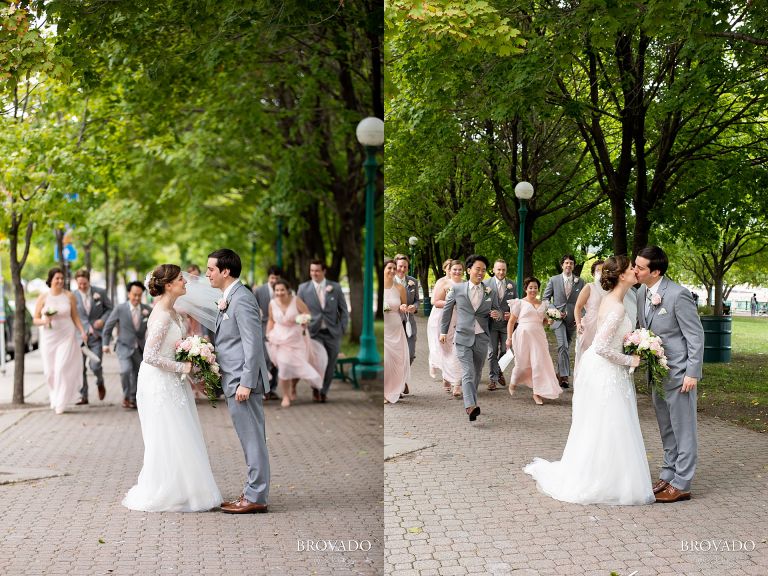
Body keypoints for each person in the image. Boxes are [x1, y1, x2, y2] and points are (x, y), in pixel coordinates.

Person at [524, 256, 654, 505]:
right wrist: (631, 360)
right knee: (610, 423)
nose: (635, 271)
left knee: (606, 423)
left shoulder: (613, 299)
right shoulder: (615, 306)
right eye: (631, 269)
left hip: (606, 369)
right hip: (607, 370)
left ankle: (611, 475)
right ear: (621, 276)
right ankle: (602, 478)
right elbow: (602, 347)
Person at [122, 265, 221, 512]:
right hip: (158, 382)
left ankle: (186, 489)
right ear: (168, 286)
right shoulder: (163, 315)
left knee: (182, 432)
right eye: (180, 279)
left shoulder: (175, 312)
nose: (185, 282)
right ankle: (167, 489)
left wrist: (194, 356)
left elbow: (174, 347)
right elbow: (150, 356)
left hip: (172, 381)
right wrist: (183, 367)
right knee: (167, 434)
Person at [635, 246, 705, 503]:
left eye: (640, 267)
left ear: (656, 271)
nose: (635, 270)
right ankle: (668, 473)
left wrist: (692, 373)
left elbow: (695, 336)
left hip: (680, 374)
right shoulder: (642, 292)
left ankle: (682, 483)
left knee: (683, 428)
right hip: (658, 372)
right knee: (666, 427)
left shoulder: (678, 295)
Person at [207, 249, 270, 513]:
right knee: (250, 439)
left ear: (226, 271)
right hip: (233, 379)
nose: (207, 273)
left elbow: (253, 343)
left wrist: (246, 382)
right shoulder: (228, 297)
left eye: (211, 269)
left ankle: (255, 497)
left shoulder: (241, 299)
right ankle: (252, 492)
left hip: (242, 382)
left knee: (252, 439)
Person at [440, 255, 501, 422]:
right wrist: (443, 331)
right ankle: (470, 406)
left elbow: (498, 311)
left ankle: (472, 402)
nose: (480, 272)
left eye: (483, 270)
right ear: (469, 270)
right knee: (467, 371)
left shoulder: (490, 291)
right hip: (462, 336)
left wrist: (497, 314)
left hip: (482, 337)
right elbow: (446, 310)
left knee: (477, 372)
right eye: (477, 269)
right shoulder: (457, 289)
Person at [33, 268, 88, 414]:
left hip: (67, 336)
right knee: (49, 372)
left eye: (62, 278)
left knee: (61, 368)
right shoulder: (43, 297)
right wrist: (45, 321)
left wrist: (82, 331)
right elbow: (35, 319)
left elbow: (75, 316)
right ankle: (54, 395)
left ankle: (61, 402)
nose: (60, 281)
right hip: (49, 338)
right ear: (50, 280)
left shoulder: (69, 296)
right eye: (57, 278)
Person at [266, 279, 328, 408]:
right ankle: (286, 396)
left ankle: (293, 386)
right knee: (283, 364)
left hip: (296, 337)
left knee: (297, 365)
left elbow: (307, 314)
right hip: (279, 338)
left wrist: (304, 321)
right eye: (277, 290)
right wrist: (268, 335)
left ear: (288, 290)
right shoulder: (272, 303)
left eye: (282, 289)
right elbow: (271, 320)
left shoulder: (295, 300)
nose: (279, 292)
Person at [297, 260, 349, 403]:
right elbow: (298, 310)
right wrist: (301, 323)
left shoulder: (335, 288)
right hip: (314, 333)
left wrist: (342, 328)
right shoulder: (303, 288)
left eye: (317, 271)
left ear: (324, 271)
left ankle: (324, 391)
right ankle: (316, 389)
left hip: (332, 333)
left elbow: (343, 311)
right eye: (312, 270)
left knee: (330, 364)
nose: (314, 273)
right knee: (318, 363)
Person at [505, 277, 562, 405]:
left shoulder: (543, 304)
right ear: (526, 289)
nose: (533, 290)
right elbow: (511, 322)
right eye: (530, 287)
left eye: (535, 288)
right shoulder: (519, 303)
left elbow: (544, 321)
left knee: (538, 363)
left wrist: (550, 321)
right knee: (522, 364)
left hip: (538, 337)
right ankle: (514, 381)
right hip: (522, 337)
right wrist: (509, 338)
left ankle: (537, 393)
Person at [102, 281, 152, 409]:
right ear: (128, 294)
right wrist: (105, 344)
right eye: (134, 294)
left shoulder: (147, 310)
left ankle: (132, 398)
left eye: (139, 295)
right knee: (125, 370)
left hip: (140, 348)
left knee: (137, 373)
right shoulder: (120, 308)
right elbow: (108, 326)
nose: (136, 298)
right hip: (123, 346)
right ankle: (126, 396)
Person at [74, 268, 113, 404]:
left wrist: (103, 319)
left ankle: (100, 381)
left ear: (89, 281)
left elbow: (110, 309)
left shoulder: (99, 293)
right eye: (80, 284)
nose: (82, 286)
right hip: (80, 337)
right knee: (80, 367)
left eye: (85, 283)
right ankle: (83, 395)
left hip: (96, 336)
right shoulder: (72, 296)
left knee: (95, 364)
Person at [542, 255, 583, 388]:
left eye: (571, 263)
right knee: (563, 346)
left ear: (574, 265)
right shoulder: (554, 280)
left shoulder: (580, 281)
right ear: (562, 265)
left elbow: (584, 302)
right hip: (557, 320)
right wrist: (554, 312)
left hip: (572, 320)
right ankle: (564, 376)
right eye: (566, 263)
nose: (568, 265)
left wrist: (580, 318)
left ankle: (559, 373)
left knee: (566, 347)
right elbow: (546, 299)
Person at [432, 260, 465, 397]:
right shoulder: (444, 283)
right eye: (454, 269)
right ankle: (447, 376)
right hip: (447, 319)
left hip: (462, 321)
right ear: (449, 270)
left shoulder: (465, 284)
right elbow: (435, 302)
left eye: (459, 269)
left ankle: (457, 384)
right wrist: (451, 302)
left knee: (458, 352)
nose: (457, 272)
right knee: (447, 351)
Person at [483, 259, 517, 390]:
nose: (501, 272)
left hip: (506, 325)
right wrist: (489, 312)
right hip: (491, 324)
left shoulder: (512, 285)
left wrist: (512, 313)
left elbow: (516, 303)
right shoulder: (486, 284)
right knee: (492, 352)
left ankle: (499, 371)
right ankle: (493, 379)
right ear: (493, 270)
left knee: (505, 350)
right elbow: (482, 304)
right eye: (499, 269)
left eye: (503, 269)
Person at [383, 259, 410, 404]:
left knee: (397, 362)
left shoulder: (399, 288)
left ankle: (393, 390)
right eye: (389, 268)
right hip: (383, 330)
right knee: (386, 361)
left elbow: (404, 304)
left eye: (394, 268)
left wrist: (404, 307)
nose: (393, 271)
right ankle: (384, 391)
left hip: (396, 328)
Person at [254, 266, 282, 402]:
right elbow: (253, 308)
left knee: (276, 360)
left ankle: (273, 388)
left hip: (280, 328)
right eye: (272, 278)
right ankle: (265, 389)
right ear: (268, 277)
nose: (274, 280)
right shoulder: (259, 291)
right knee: (265, 359)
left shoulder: (283, 290)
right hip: (263, 327)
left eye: (277, 278)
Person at [573, 260, 606, 377]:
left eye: (603, 270)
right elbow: (577, 307)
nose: (601, 273)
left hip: (605, 327)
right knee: (585, 357)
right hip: (589, 326)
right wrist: (578, 324)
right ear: (593, 273)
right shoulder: (589, 287)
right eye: (598, 270)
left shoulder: (610, 289)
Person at [394, 255, 419, 381]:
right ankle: (398, 383)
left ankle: (401, 378)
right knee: (396, 355)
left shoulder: (413, 281)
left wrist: (414, 307)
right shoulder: (389, 281)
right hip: (394, 323)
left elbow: (416, 301)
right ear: (395, 266)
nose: (402, 269)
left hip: (409, 321)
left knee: (410, 354)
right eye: (400, 266)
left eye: (405, 266)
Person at [427, 259, 453, 380]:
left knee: (448, 344)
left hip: (453, 316)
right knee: (436, 342)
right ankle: (433, 362)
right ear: (444, 269)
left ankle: (447, 371)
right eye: (448, 268)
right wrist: (450, 303)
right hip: (439, 315)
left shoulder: (460, 282)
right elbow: (433, 301)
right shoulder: (441, 282)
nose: (450, 270)